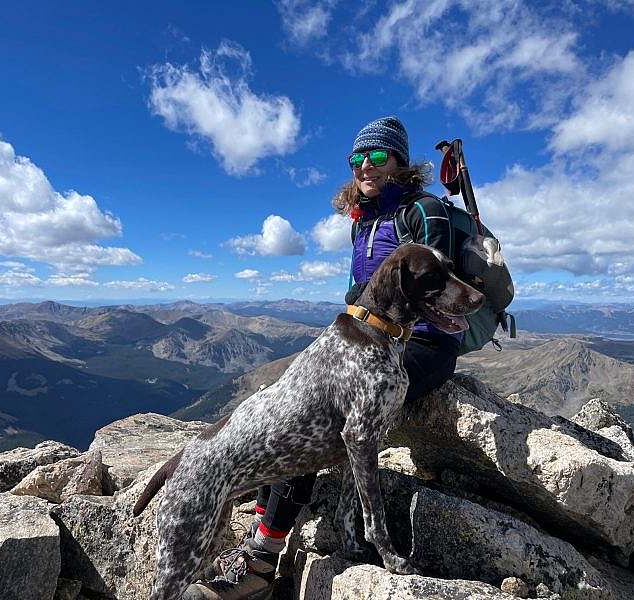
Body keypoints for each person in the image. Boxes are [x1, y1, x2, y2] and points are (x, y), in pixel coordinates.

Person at [184, 116, 463, 600]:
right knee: (292, 412)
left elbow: (438, 292)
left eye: (375, 157)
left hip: (421, 346)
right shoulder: (367, 220)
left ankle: (261, 564)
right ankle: (263, 541)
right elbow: (360, 296)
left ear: (399, 161)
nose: (364, 167)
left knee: (314, 426)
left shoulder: (424, 210)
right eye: (356, 160)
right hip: (376, 342)